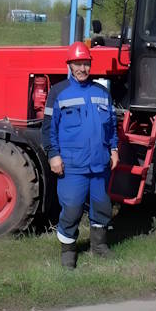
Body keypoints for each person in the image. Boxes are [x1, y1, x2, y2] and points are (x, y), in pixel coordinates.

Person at [41, 41, 119, 269]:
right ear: (70, 65)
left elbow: (111, 125)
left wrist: (114, 149)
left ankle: (99, 246)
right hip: (72, 166)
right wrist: (53, 155)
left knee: (102, 206)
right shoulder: (58, 92)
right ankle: (68, 251)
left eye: (85, 64)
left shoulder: (102, 92)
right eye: (77, 64)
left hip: (99, 164)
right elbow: (48, 128)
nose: (82, 69)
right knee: (72, 208)